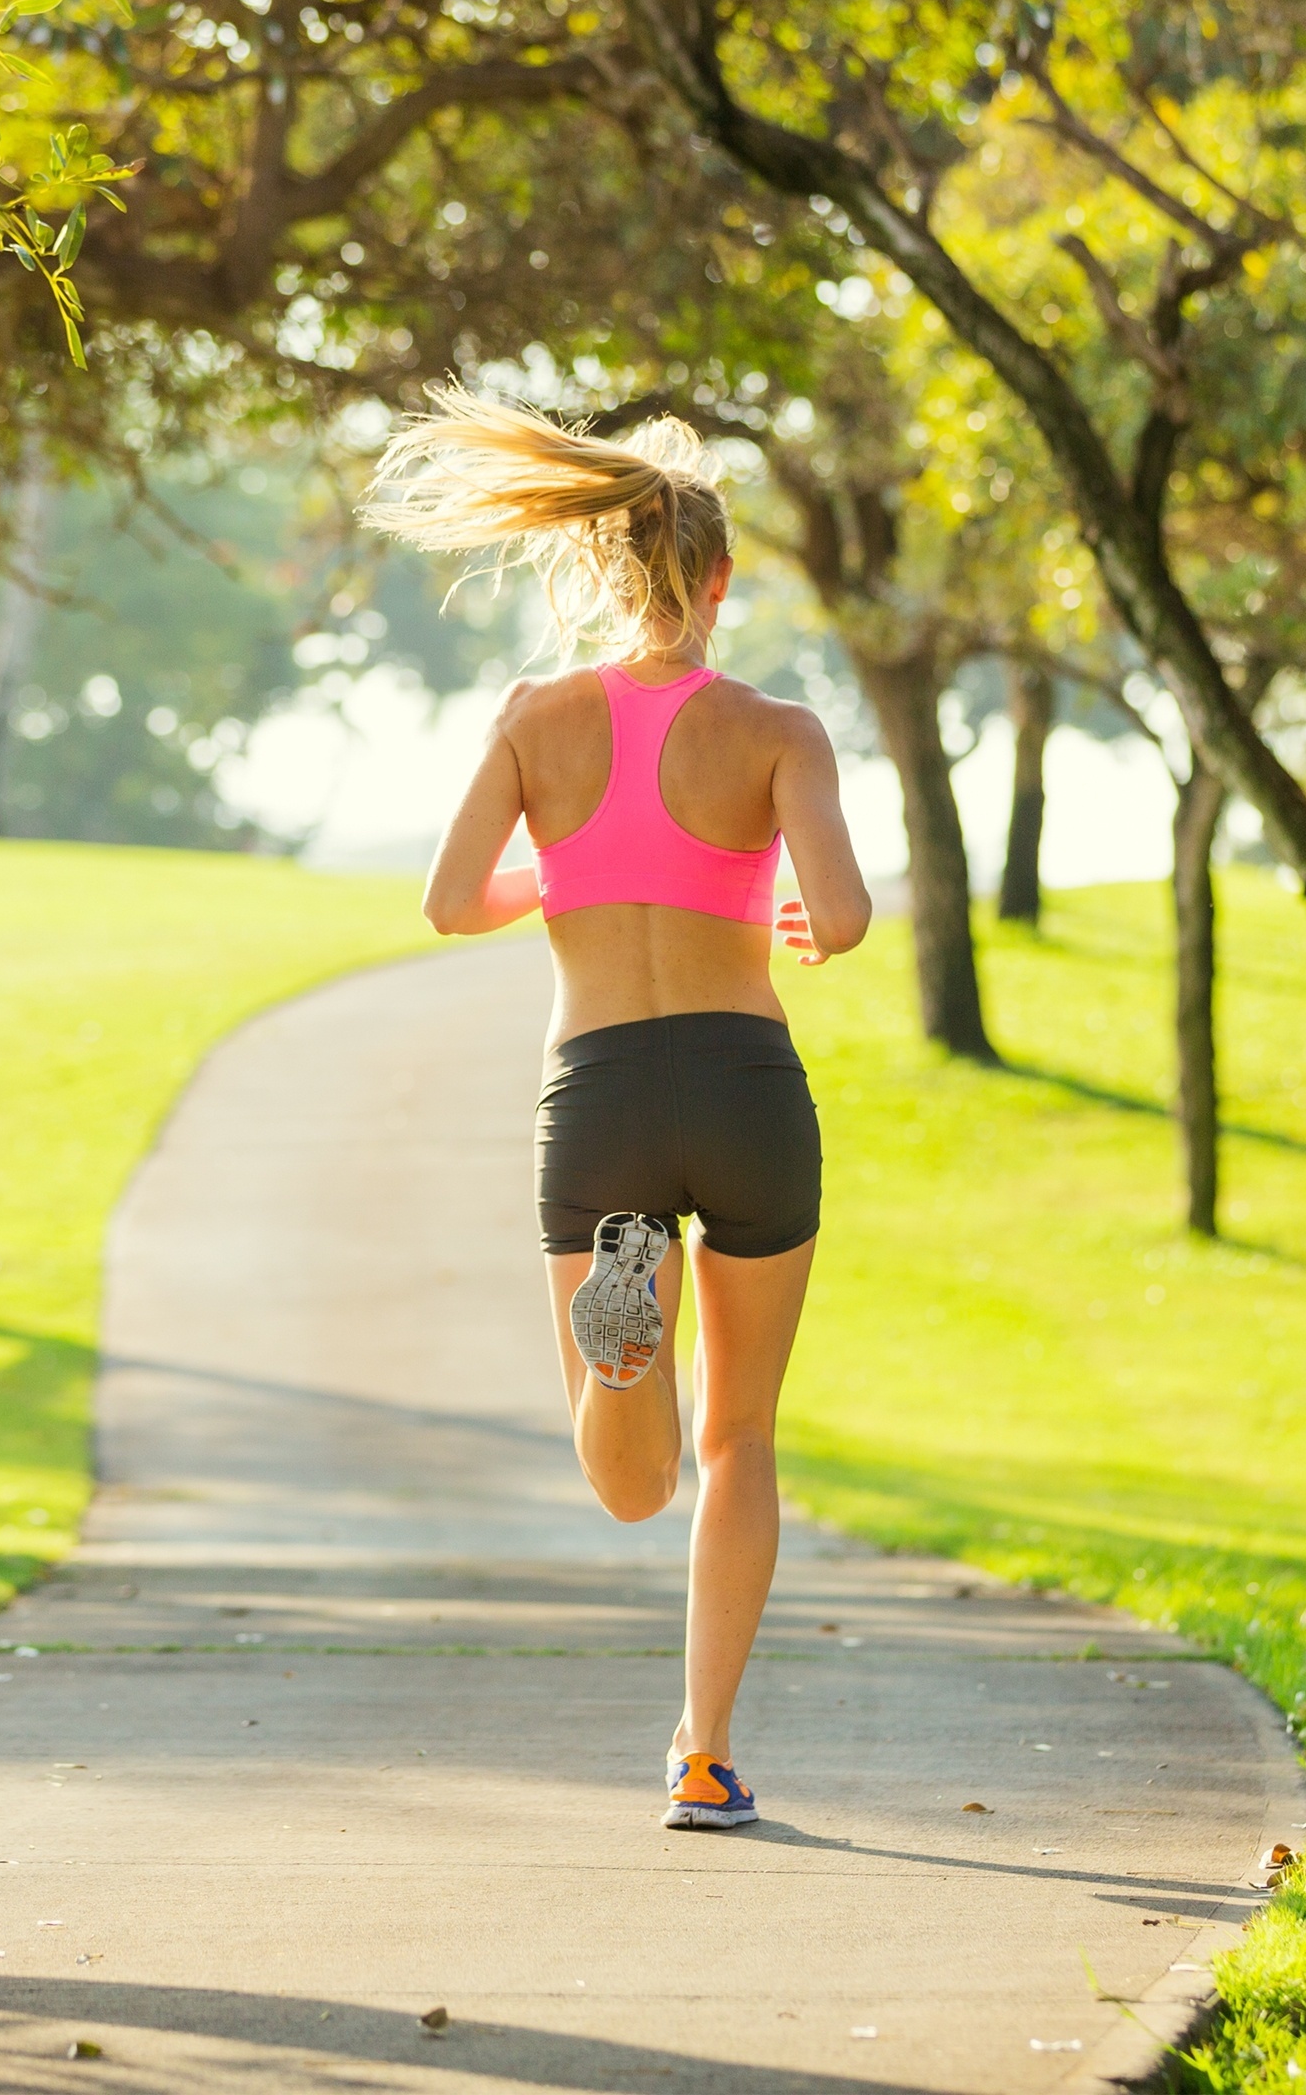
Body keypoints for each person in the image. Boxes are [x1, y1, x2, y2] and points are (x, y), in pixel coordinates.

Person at [368, 386, 873, 1832]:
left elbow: (452, 900)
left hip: (596, 1096)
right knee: (743, 1442)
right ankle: (703, 1751)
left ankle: (618, 1347)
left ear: (599, 569)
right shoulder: (781, 731)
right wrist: (797, 917)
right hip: (745, 1086)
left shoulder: (535, 721)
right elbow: (838, 913)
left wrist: (569, 876)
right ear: (720, 583)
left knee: (631, 1481)